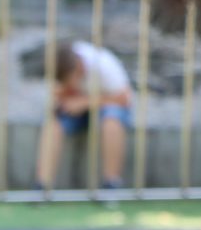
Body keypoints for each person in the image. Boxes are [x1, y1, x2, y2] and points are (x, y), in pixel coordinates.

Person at [34, 40, 132, 193]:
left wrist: (85, 102)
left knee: (111, 120)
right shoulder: (60, 65)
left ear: (78, 68)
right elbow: (57, 97)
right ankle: (42, 185)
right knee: (53, 123)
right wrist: (62, 99)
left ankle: (111, 184)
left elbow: (124, 98)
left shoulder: (103, 64)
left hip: (107, 106)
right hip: (79, 111)